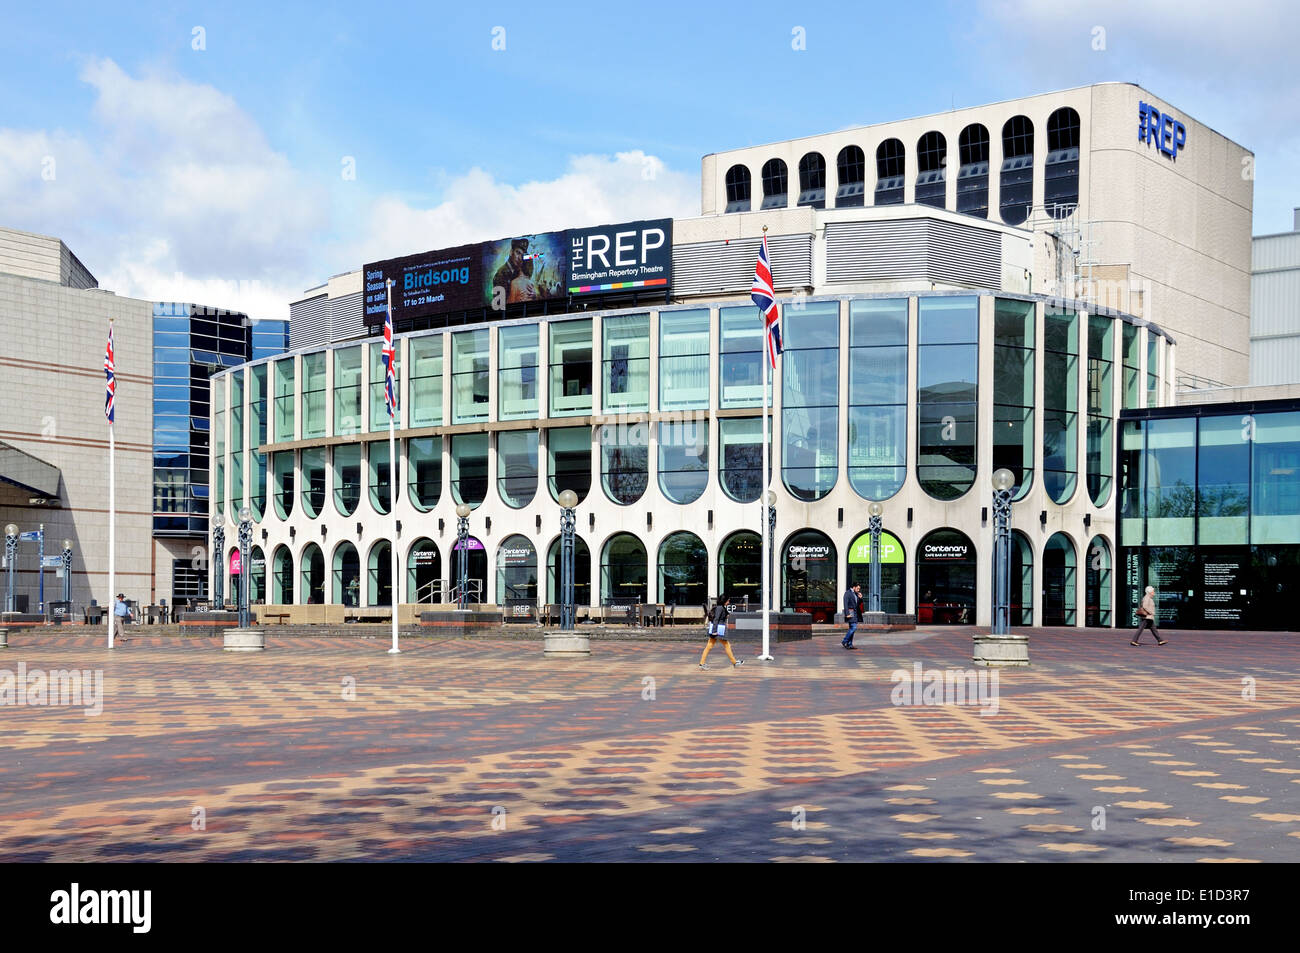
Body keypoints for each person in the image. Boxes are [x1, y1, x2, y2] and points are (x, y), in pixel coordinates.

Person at [700, 596, 743, 669]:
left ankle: (702, 663)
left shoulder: (721, 607)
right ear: (724, 601)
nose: (728, 602)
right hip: (718, 630)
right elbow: (716, 619)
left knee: (709, 646)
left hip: (717, 630)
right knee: (726, 645)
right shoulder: (720, 608)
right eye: (728, 601)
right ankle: (734, 663)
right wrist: (714, 631)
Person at [842, 582, 862, 649]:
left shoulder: (856, 594)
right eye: (858, 588)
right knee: (853, 627)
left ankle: (850, 644)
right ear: (854, 587)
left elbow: (858, 604)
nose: (858, 590)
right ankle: (844, 641)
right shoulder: (847, 593)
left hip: (856, 613)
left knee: (852, 629)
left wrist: (860, 598)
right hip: (850, 613)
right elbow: (845, 604)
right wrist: (847, 614)